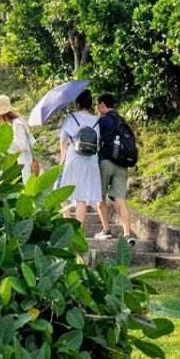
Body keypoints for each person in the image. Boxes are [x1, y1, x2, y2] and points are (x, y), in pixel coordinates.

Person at [56, 89, 106, 238]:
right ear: (90, 104)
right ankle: (78, 230)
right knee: (82, 195)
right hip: (91, 159)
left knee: (62, 190)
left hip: (73, 156)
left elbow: (63, 140)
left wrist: (62, 158)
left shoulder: (71, 117)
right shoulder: (97, 119)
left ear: (77, 103)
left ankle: (68, 223)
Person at [94, 93, 137, 243]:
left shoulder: (102, 120)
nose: (97, 108)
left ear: (103, 105)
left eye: (97, 105)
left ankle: (106, 230)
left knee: (100, 197)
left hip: (106, 161)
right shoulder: (121, 120)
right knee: (120, 200)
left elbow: (96, 141)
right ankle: (127, 234)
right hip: (122, 164)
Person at [0, 94, 36, 173]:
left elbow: (22, 146)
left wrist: (2, 136)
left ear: (0, 115)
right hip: (13, 163)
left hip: (21, 164)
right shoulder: (10, 124)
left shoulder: (17, 124)